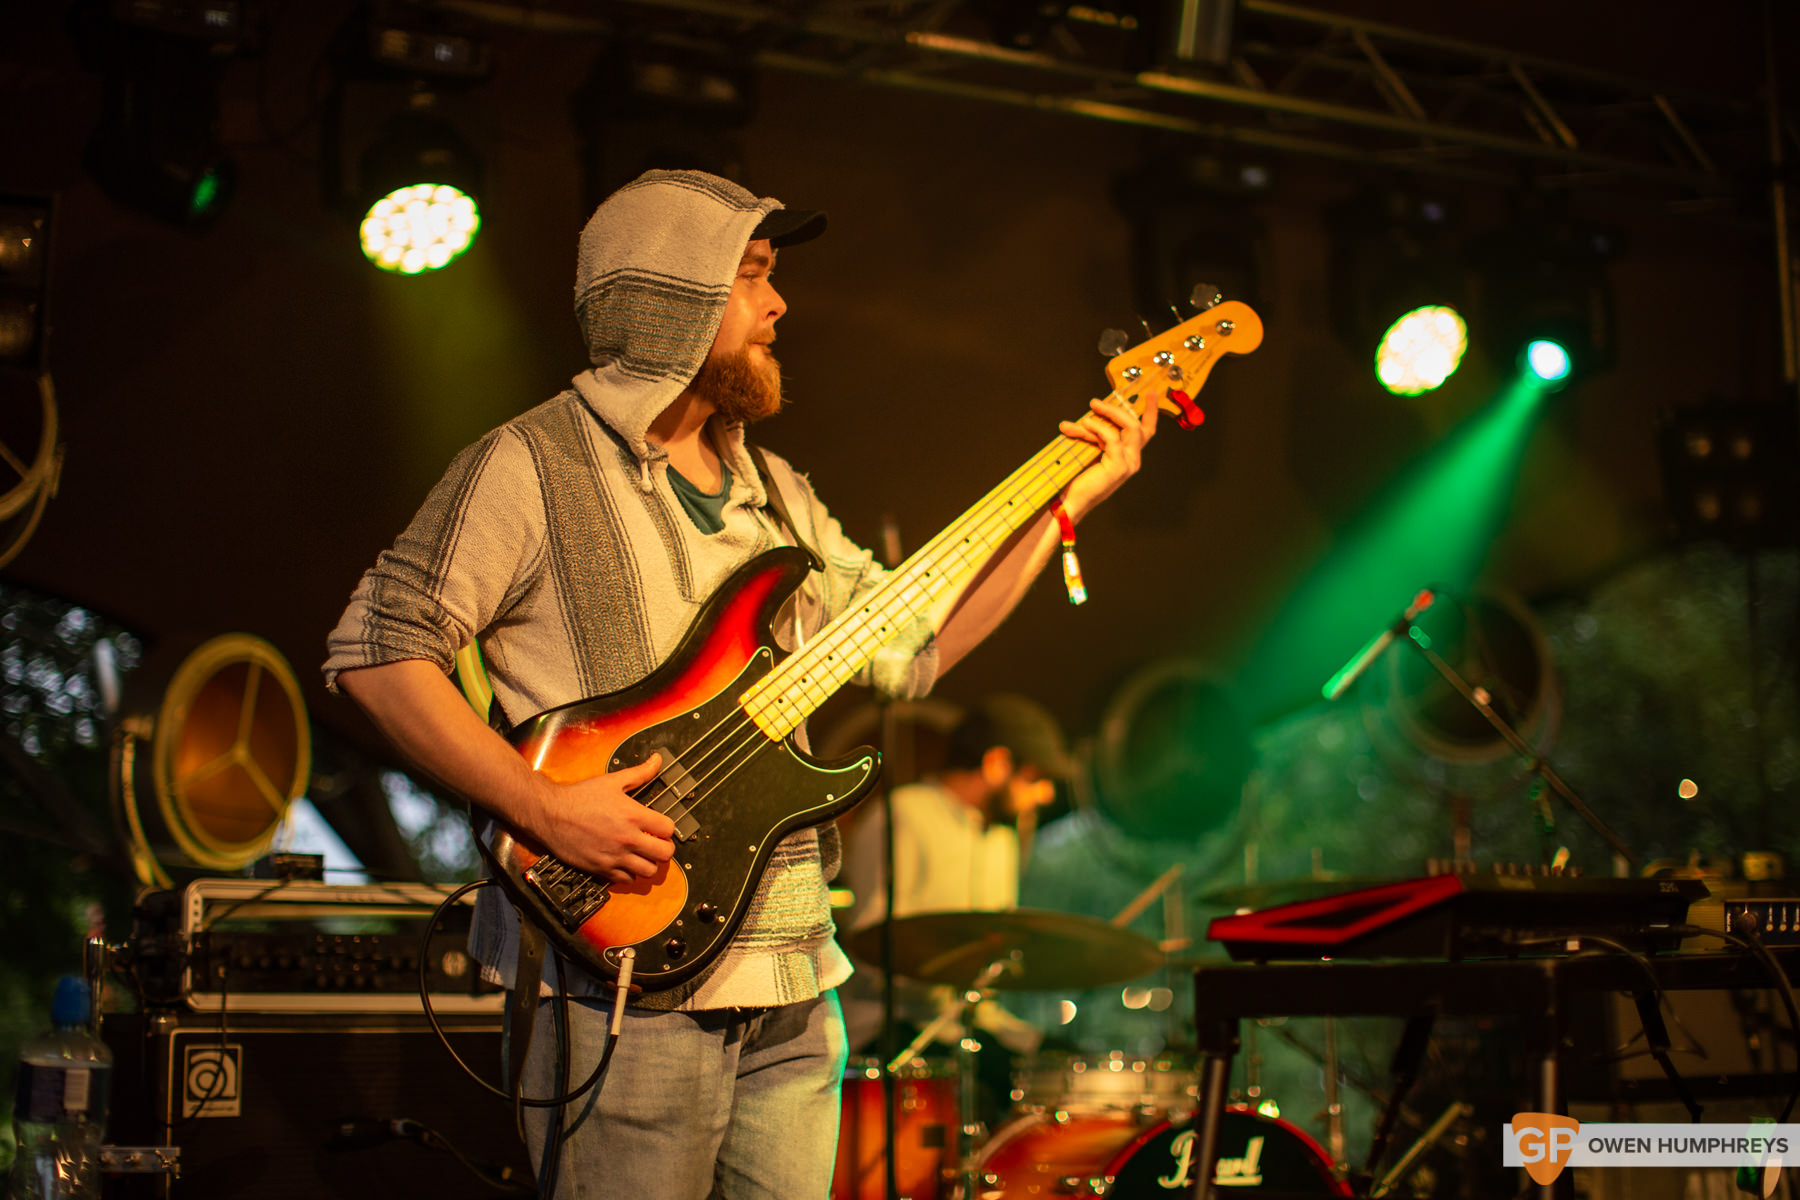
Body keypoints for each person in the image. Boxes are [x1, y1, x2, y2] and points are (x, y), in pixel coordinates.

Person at [322, 168, 1156, 1200]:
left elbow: (913, 647)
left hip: (796, 985)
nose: (779, 304)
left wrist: (1065, 505)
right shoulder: (528, 467)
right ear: (669, 298)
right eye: (751, 276)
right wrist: (542, 806)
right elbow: (375, 649)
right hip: (623, 982)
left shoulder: (778, 493)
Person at [838, 694, 1072, 1121]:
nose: (1046, 794)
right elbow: (873, 944)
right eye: (1035, 777)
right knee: (990, 1085)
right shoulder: (902, 815)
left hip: (970, 1025)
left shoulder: (1002, 837)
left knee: (1059, 1066)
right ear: (997, 764)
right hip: (894, 1028)